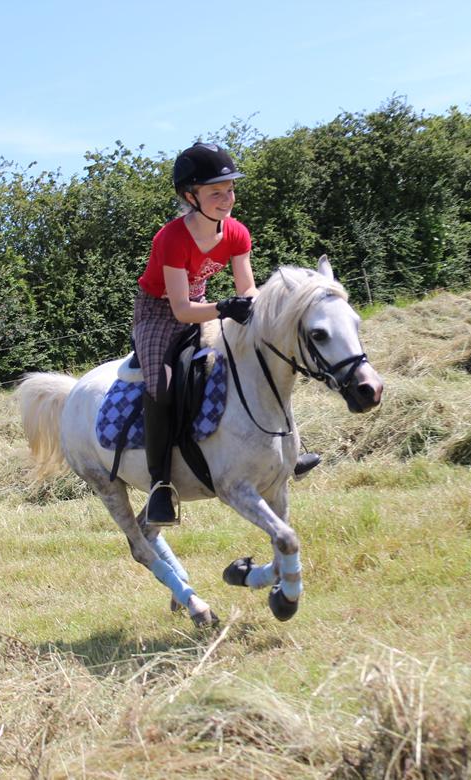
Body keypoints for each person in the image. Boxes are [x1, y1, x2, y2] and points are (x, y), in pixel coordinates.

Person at [132, 142, 318, 525]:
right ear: (190, 197)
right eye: (215, 192)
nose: (227, 198)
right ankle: (160, 485)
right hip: (157, 314)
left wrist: (252, 312)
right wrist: (225, 308)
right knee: (162, 385)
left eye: (230, 189)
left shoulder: (236, 233)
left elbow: (246, 289)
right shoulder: (171, 238)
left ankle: (286, 450)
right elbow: (181, 310)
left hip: (203, 304)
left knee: (260, 355)